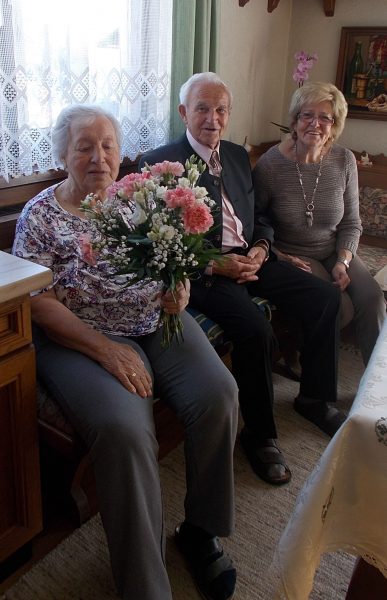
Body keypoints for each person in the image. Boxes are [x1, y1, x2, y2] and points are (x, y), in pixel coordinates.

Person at [12, 104, 239, 600]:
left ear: (121, 153)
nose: (99, 157)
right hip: (80, 338)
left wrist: (178, 289)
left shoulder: (137, 199)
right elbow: (37, 301)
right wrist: (105, 351)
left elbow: (170, 260)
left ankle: (200, 532)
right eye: (84, 147)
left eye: (108, 145)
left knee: (219, 393)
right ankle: (146, 587)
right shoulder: (42, 215)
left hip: (154, 322)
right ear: (63, 155)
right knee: (124, 431)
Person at [139, 72, 343, 488]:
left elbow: (259, 218)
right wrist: (217, 264)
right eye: (202, 108)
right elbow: (158, 247)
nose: (212, 118)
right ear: (184, 112)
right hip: (208, 273)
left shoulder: (236, 155)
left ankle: (315, 397)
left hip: (251, 258)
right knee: (255, 330)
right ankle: (261, 436)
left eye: (221, 110)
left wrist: (261, 250)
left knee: (325, 298)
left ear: (229, 116)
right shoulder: (160, 164)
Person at [253, 81, 386, 366]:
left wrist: (343, 260)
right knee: (341, 307)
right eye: (307, 115)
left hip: (333, 249)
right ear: (295, 120)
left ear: (335, 124)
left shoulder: (344, 160)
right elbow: (256, 220)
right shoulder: (271, 164)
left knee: (372, 298)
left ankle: (375, 384)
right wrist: (279, 255)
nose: (316, 124)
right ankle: (303, 354)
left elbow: (351, 222)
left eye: (325, 117)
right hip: (293, 253)